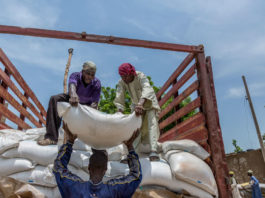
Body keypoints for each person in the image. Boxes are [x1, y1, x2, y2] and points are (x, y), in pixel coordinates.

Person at [53, 123, 142, 198]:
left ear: (88, 167)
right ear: (106, 169)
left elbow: (58, 167)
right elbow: (135, 176)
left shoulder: (74, 187)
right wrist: (130, 147)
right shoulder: (115, 190)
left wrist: (70, 142)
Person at [38, 61, 101, 145]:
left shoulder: (97, 83)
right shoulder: (75, 75)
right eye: (87, 73)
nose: (89, 76)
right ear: (82, 72)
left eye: (92, 75)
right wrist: (73, 94)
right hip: (72, 99)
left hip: (86, 104)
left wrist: (91, 110)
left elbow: (95, 102)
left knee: (96, 114)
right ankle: (51, 137)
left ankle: (92, 140)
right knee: (54, 99)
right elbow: (72, 86)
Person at [114, 63, 161, 161]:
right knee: (135, 128)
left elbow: (147, 88)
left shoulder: (140, 76)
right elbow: (119, 96)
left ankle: (153, 150)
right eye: (122, 76)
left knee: (151, 124)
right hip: (136, 105)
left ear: (131, 73)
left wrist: (141, 103)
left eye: (126, 76)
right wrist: (119, 112)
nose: (124, 78)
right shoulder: (122, 82)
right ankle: (132, 153)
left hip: (148, 103)